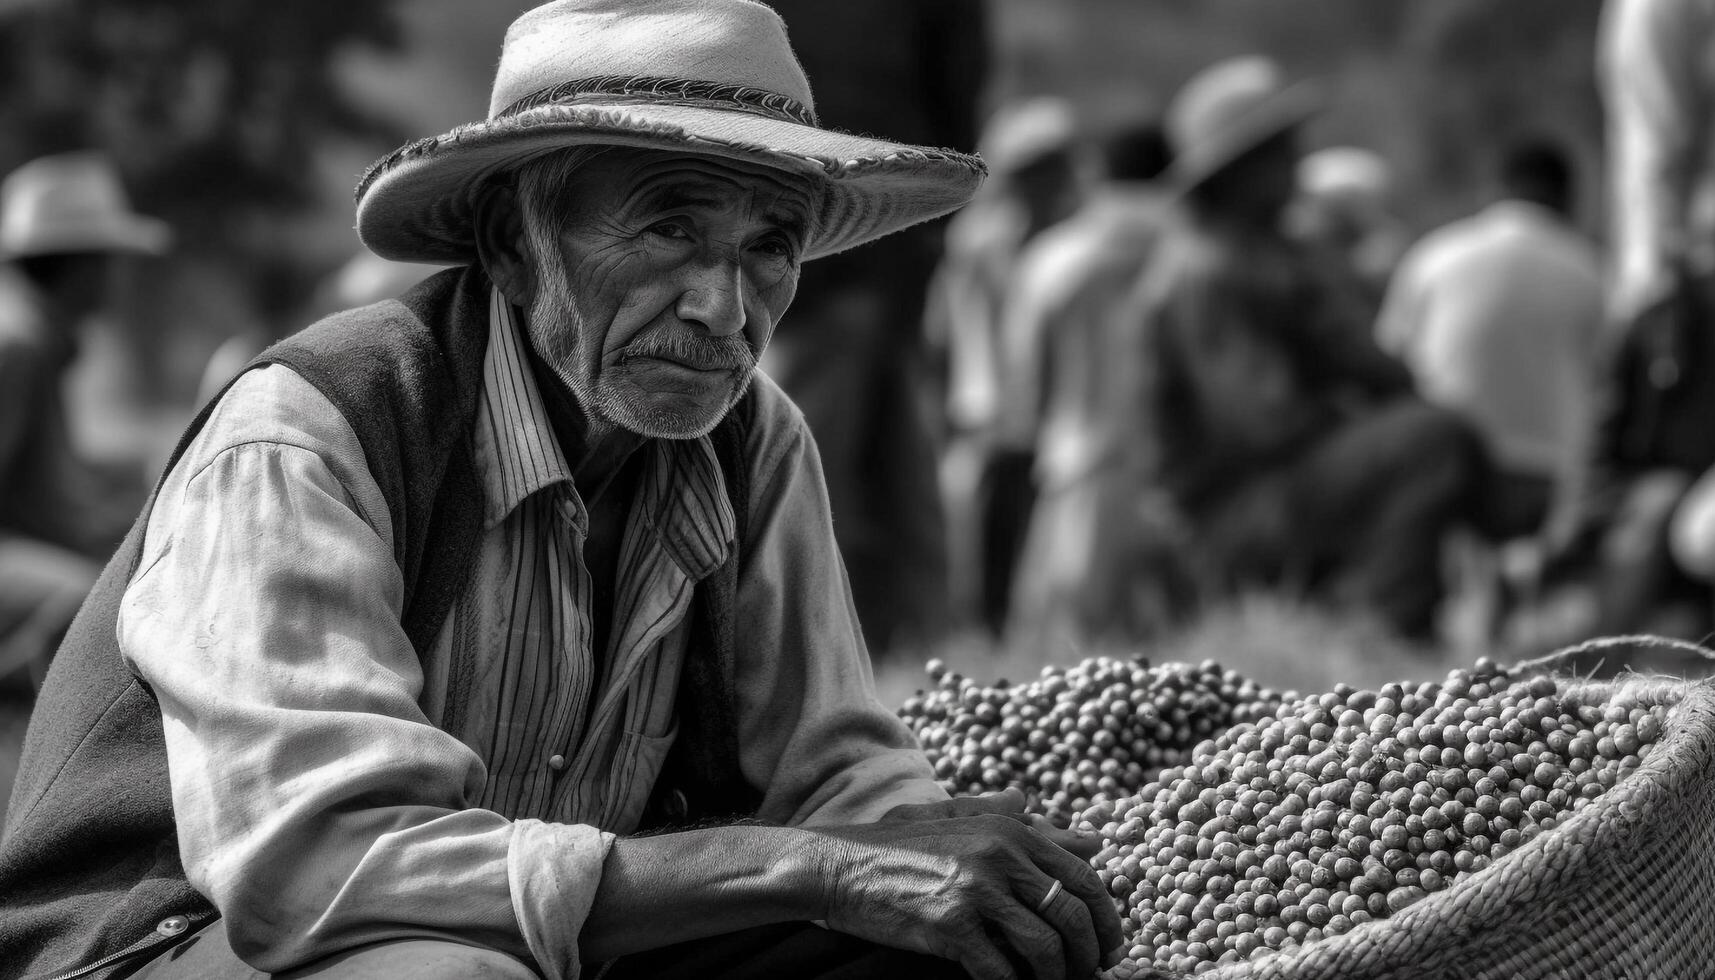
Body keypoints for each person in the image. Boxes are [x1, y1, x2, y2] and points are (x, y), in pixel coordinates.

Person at [0, 3, 1123, 980]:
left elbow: (836, 768)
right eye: (670, 227)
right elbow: (324, 865)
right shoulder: (312, 437)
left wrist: (938, 857)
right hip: (181, 943)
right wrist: (809, 866)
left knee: (957, 943)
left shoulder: (753, 438)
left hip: (546, 937)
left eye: (768, 246)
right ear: (510, 239)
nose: (724, 311)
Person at [1128, 57, 1482, 639]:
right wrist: (1350, 411)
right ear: (1237, 171)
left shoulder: (1276, 253)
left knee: (1434, 432)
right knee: (1428, 439)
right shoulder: (1203, 271)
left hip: (1276, 490)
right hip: (1230, 516)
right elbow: (1263, 425)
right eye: (1278, 149)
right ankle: (1388, 630)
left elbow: (1380, 370)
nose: (1297, 161)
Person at [754, 0, 988, 656]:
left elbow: (954, 99)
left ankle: (877, 646)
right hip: (845, 251)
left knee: (853, 460)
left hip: (858, 249)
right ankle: (824, 646)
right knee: (820, 460)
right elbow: (957, 104)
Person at [999, 122, 1187, 651]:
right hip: (1186, 478)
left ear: (1097, 174)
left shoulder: (1056, 256)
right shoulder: (1193, 243)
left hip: (1079, 467)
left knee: (1069, 664)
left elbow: (1023, 389)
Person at [1375, 138, 1604, 545]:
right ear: (1570, 200)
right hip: (1546, 483)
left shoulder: (1435, 254)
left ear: (1496, 191)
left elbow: (1388, 362)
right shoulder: (1591, 273)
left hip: (1439, 467)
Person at [0, 151, 169, 692]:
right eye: (105, 260)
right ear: (77, 264)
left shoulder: (37, 339)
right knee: (93, 603)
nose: (114, 277)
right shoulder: (18, 345)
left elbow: (40, 483)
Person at [928, 96, 1084, 637]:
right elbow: (962, 334)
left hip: (1061, 412)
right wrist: (979, 411)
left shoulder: (1078, 243)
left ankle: (1034, 628)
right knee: (984, 527)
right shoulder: (978, 243)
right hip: (995, 413)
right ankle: (981, 627)